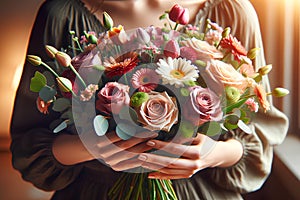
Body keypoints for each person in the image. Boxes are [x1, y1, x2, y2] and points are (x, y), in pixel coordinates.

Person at [10, 0, 289, 199]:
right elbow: (28, 147)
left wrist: (211, 155)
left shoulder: (232, 10)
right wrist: (91, 146)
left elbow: (257, 141)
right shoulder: (62, 13)